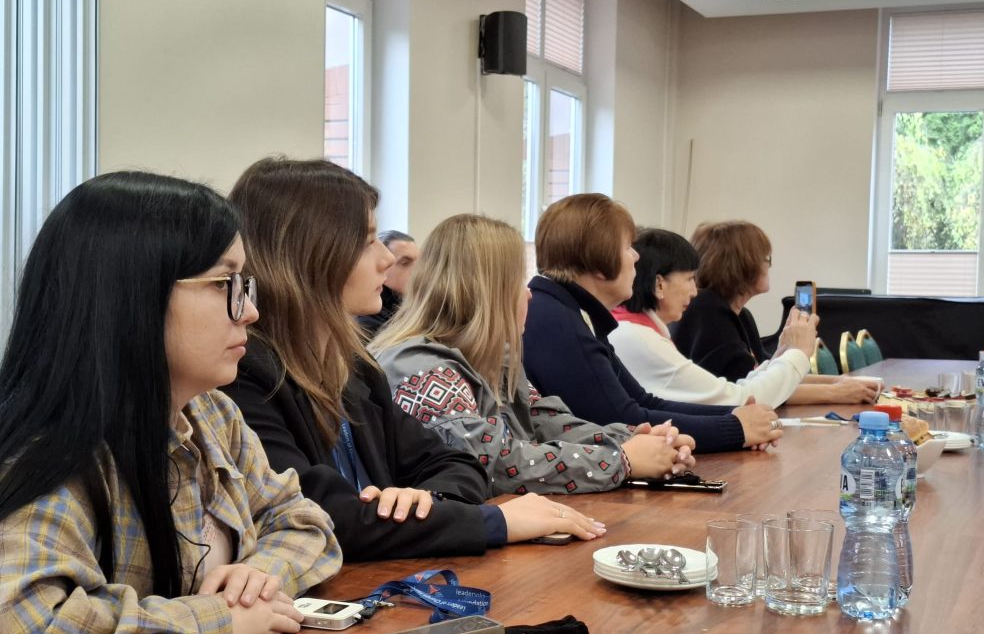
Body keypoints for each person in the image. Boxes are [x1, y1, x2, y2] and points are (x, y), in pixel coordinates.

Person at [0, 172, 342, 634]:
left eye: (244, 283)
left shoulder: (211, 413)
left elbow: (302, 520)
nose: (250, 310)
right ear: (132, 295)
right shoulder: (50, 453)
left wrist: (258, 577)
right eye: (222, 283)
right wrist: (216, 622)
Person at [223, 158, 605, 560]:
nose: (386, 260)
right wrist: (492, 522)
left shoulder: (353, 369)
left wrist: (421, 502)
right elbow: (321, 516)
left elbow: (458, 464)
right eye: (367, 242)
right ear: (310, 255)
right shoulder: (244, 375)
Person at [370, 214, 694, 496]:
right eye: (517, 281)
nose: (528, 293)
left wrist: (635, 440)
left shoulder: (494, 358)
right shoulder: (419, 366)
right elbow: (492, 465)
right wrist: (622, 459)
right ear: (489, 292)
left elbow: (545, 423)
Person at [521, 194, 782, 453]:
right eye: (627, 247)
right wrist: (736, 428)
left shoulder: (569, 311)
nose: (636, 256)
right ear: (599, 262)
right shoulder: (559, 323)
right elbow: (623, 421)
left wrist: (735, 415)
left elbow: (642, 401)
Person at [670, 220, 879, 403]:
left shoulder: (741, 315)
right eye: (765, 258)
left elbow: (769, 378)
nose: (769, 265)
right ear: (744, 264)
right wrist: (835, 392)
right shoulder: (707, 310)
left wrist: (840, 381)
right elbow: (749, 394)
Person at [357, 229, 419, 336]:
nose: (417, 270)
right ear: (383, 266)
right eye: (405, 263)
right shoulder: (367, 324)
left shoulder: (416, 308)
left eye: (420, 263)